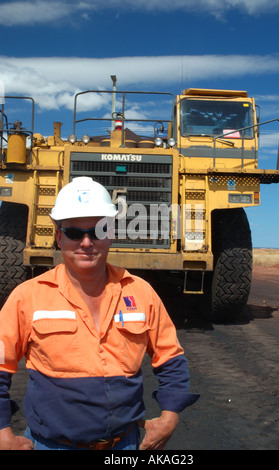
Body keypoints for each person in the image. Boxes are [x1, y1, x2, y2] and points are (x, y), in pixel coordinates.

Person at [0, 177, 199, 450]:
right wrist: (2, 431)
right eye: (73, 232)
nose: (86, 242)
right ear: (59, 237)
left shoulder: (141, 293)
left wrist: (170, 416)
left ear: (111, 233)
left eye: (98, 230)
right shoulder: (28, 296)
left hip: (124, 445)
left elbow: (171, 358)